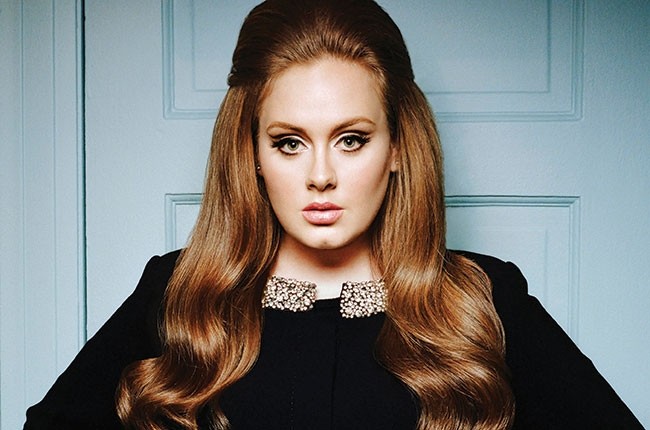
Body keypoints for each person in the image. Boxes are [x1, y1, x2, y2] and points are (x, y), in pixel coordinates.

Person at [25, 0, 643, 429]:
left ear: (397, 148)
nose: (320, 175)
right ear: (253, 154)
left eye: (351, 139)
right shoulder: (179, 292)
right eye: (289, 142)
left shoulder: (482, 297)